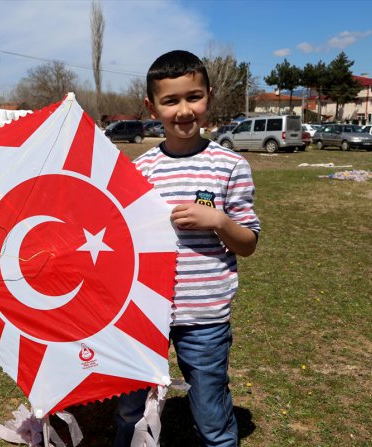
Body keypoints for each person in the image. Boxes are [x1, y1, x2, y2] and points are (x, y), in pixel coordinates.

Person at [114, 50, 261, 447]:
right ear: (151, 106)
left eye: (193, 97)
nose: (183, 110)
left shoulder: (230, 165)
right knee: (130, 402)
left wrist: (219, 221)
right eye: (170, 100)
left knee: (210, 407)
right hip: (145, 310)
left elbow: (247, 244)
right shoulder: (139, 170)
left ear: (209, 96)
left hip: (205, 313)